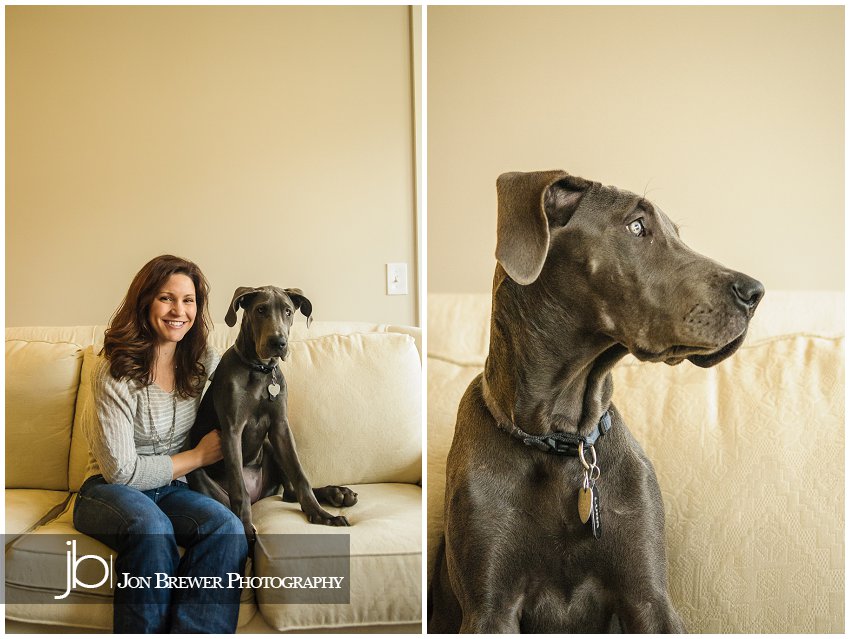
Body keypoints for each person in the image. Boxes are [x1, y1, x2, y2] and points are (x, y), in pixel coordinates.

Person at [74, 255, 248, 633]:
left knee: (226, 528)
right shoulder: (115, 368)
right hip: (106, 491)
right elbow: (121, 472)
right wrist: (197, 456)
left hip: (171, 489)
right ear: (145, 302)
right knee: (150, 528)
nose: (178, 311)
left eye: (188, 300)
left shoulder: (203, 361)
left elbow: (243, 398)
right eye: (166, 298)